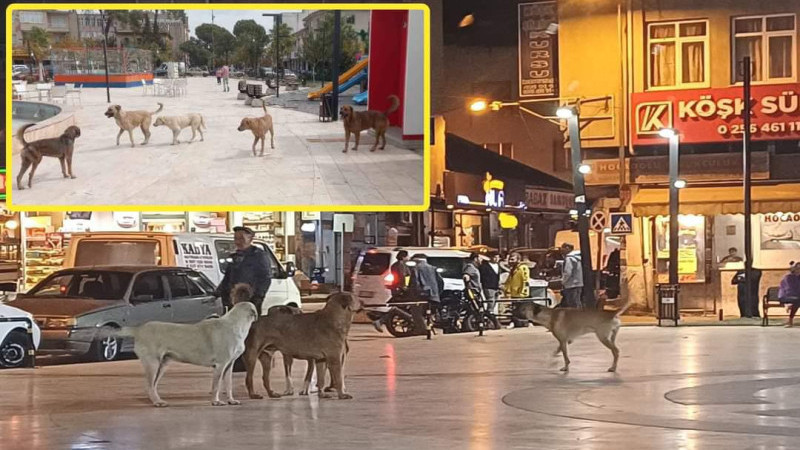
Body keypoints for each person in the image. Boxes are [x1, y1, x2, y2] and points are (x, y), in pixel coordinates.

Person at [216, 226, 272, 316]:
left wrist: (258, 297)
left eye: (241, 239)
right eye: (236, 238)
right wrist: (219, 292)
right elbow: (227, 277)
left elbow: (265, 277)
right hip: (233, 300)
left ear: (250, 239)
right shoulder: (234, 256)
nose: (238, 242)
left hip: (249, 299)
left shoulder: (259, 255)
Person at [560, 243, 584, 308]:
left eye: (562, 248)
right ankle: (579, 316)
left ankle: (574, 317)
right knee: (577, 302)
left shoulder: (569, 258)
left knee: (572, 304)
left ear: (567, 248)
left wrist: (563, 282)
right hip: (579, 283)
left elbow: (568, 272)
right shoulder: (579, 257)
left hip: (571, 284)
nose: (561, 250)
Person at [779, 262, 800, 327]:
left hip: (797, 297)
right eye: (797, 268)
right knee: (798, 301)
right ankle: (790, 319)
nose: (798, 270)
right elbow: (788, 289)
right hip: (786, 296)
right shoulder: (788, 277)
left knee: (798, 302)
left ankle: (790, 320)